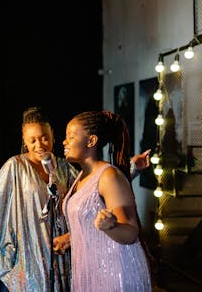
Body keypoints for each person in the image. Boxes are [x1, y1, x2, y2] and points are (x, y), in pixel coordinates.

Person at [0, 107, 151, 292]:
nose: (39, 144)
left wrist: (132, 167)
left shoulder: (65, 168)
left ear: (52, 134)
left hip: (60, 258)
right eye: (32, 140)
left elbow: (94, 189)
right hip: (28, 255)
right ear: (24, 141)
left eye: (44, 137)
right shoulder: (15, 167)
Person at [53, 111, 151, 291]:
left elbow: (130, 233)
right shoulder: (81, 176)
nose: (64, 142)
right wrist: (70, 238)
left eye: (71, 136)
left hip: (116, 274)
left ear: (91, 141)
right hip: (91, 271)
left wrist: (111, 226)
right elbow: (89, 220)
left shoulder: (109, 177)